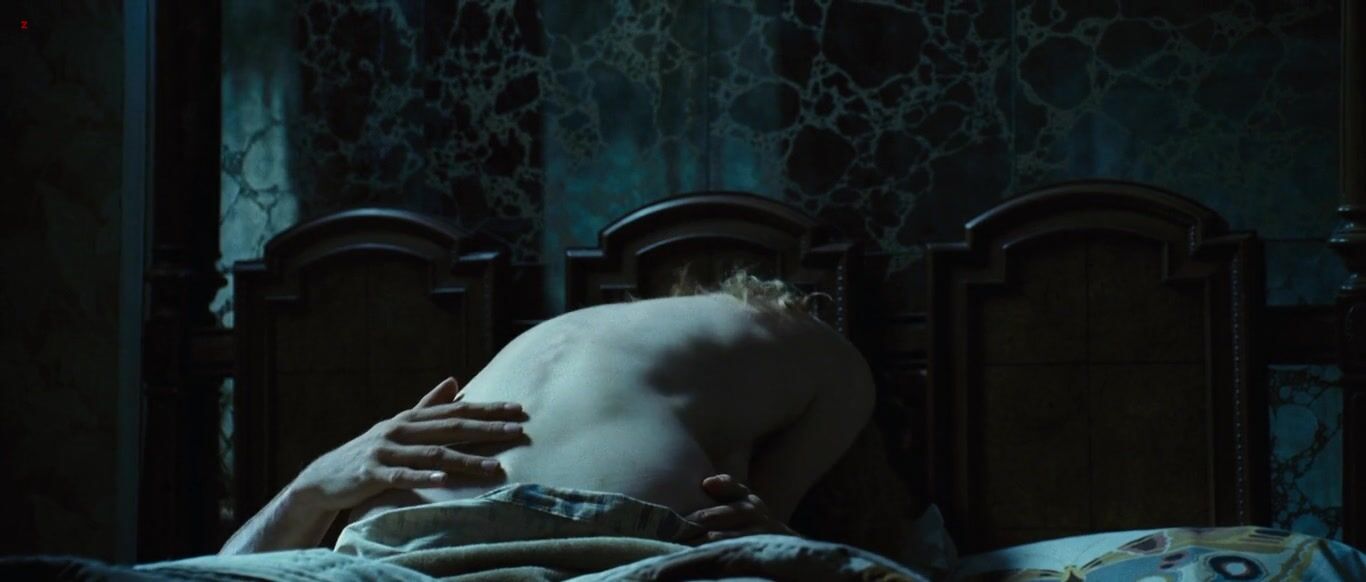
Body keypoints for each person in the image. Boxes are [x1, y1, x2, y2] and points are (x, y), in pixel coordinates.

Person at [221, 271, 876, 555]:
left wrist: (309, 488)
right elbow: (756, 526)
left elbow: (224, 567)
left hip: (392, 535)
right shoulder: (833, 357)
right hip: (609, 520)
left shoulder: (562, 333)